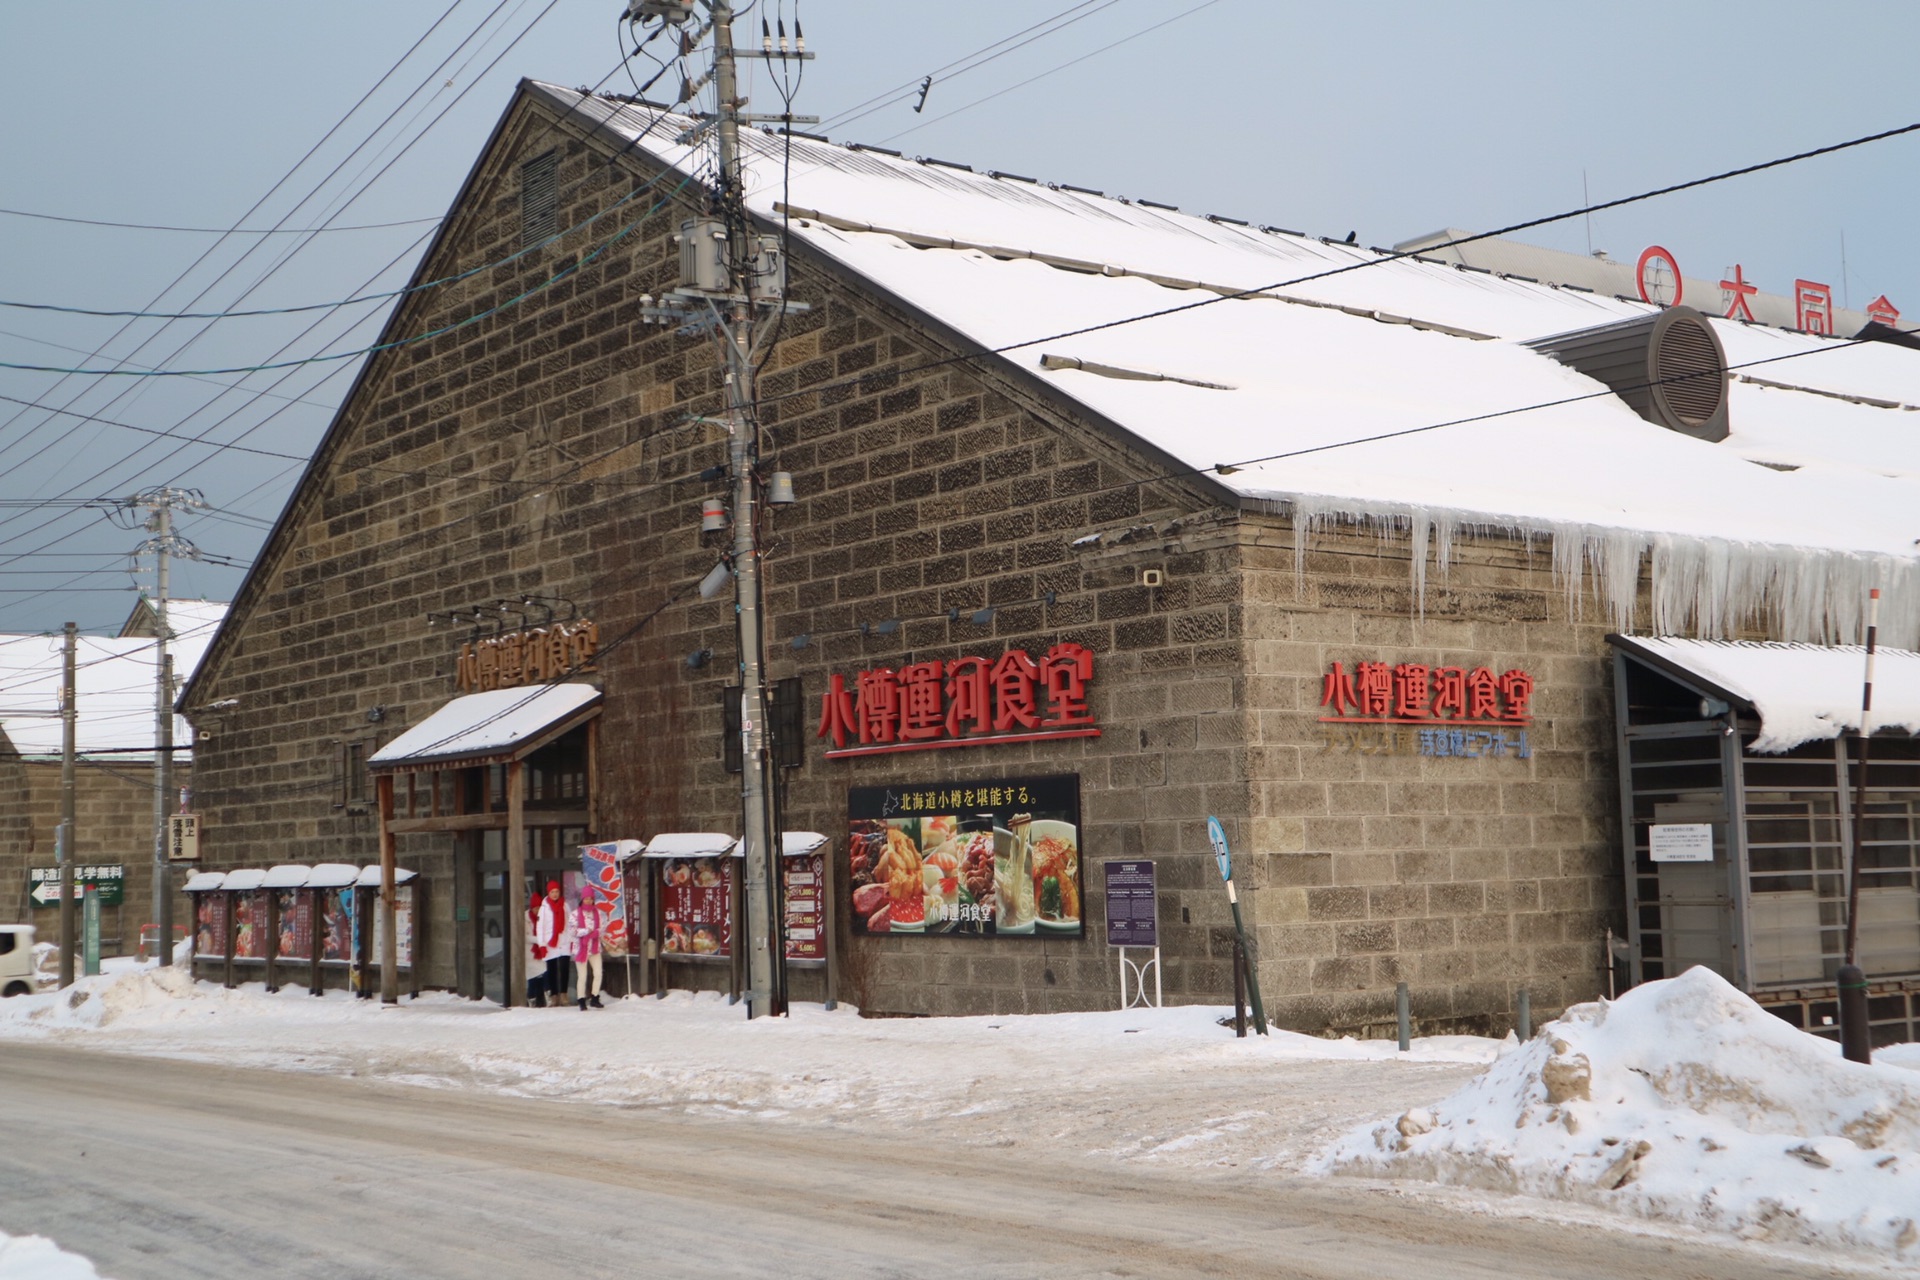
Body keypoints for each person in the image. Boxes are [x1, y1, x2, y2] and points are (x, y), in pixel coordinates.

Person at [537, 880, 573, 1005]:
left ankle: (563, 993)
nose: (555, 894)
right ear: (549, 893)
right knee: (551, 969)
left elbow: (570, 924)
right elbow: (540, 927)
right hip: (550, 942)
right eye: (552, 892)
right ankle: (554, 995)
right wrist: (541, 944)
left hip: (564, 940)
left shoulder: (565, 905)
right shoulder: (544, 908)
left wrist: (571, 939)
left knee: (564, 968)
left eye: (557, 891)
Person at [571, 892, 607, 1010]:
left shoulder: (598, 913)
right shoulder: (575, 914)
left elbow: (602, 928)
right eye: (586, 899)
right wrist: (587, 931)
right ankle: (581, 999)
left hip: (595, 948)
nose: (588, 901)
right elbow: (573, 931)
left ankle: (595, 997)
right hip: (580, 948)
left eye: (590, 899)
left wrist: (596, 932)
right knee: (582, 976)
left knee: (598, 973)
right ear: (582, 899)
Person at [525, 893, 552, 1007]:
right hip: (530, 953)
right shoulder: (525, 919)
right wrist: (539, 940)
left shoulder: (545, 918)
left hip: (542, 952)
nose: (537, 910)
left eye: (539, 908)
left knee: (545, 975)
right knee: (532, 979)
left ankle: (547, 998)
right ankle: (532, 1000)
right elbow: (524, 937)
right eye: (535, 908)